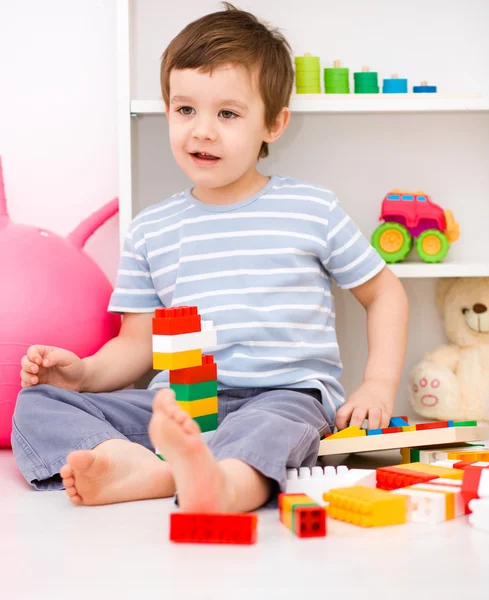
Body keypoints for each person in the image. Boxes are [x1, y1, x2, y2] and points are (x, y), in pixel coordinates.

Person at [13, 3, 408, 512]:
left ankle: (217, 485)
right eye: (185, 109)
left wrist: (377, 383)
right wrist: (82, 375)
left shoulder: (312, 208)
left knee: (269, 428)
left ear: (274, 123)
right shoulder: (151, 229)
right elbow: (138, 344)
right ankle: (134, 465)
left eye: (227, 113)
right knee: (39, 403)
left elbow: (385, 294)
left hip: (281, 396)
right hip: (179, 407)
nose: (202, 130)